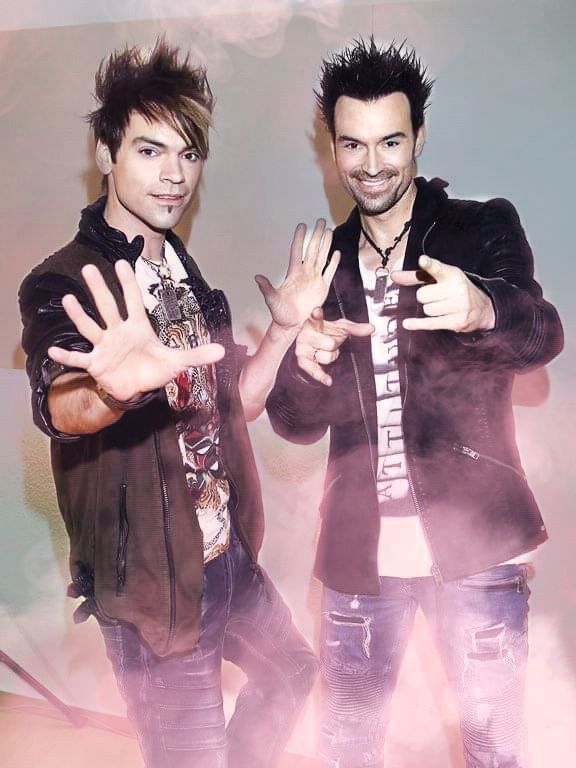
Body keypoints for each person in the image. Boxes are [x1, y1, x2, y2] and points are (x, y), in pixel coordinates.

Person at [19, 39, 341, 768]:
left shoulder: (184, 275)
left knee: (293, 671)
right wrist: (110, 387)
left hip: (226, 559)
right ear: (106, 153)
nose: (175, 175)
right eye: (150, 151)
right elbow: (60, 406)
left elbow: (234, 409)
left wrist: (284, 331)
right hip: (154, 591)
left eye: (189, 154)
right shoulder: (65, 281)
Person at [266, 38, 564, 768]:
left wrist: (483, 307)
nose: (372, 164)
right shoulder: (323, 265)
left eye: (391, 141)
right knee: (349, 752)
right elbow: (293, 424)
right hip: (357, 562)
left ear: (419, 137)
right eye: (354, 144)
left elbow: (543, 334)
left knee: (494, 752)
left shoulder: (479, 228)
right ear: (332, 148)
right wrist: (303, 363)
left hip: (478, 552)